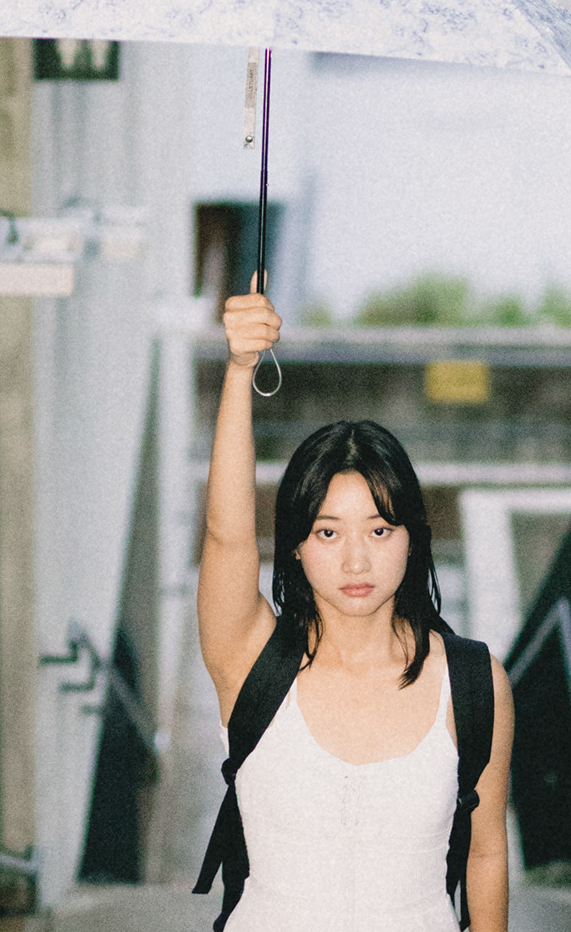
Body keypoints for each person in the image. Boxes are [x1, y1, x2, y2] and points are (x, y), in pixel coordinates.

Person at [197, 286, 515, 932]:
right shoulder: (250, 659)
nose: (355, 562)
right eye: (327, 532)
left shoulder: (473, 684)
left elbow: (485, 852)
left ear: (412, 539)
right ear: (295, 546)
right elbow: (227, 536)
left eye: (379, 529)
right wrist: (239, 371)